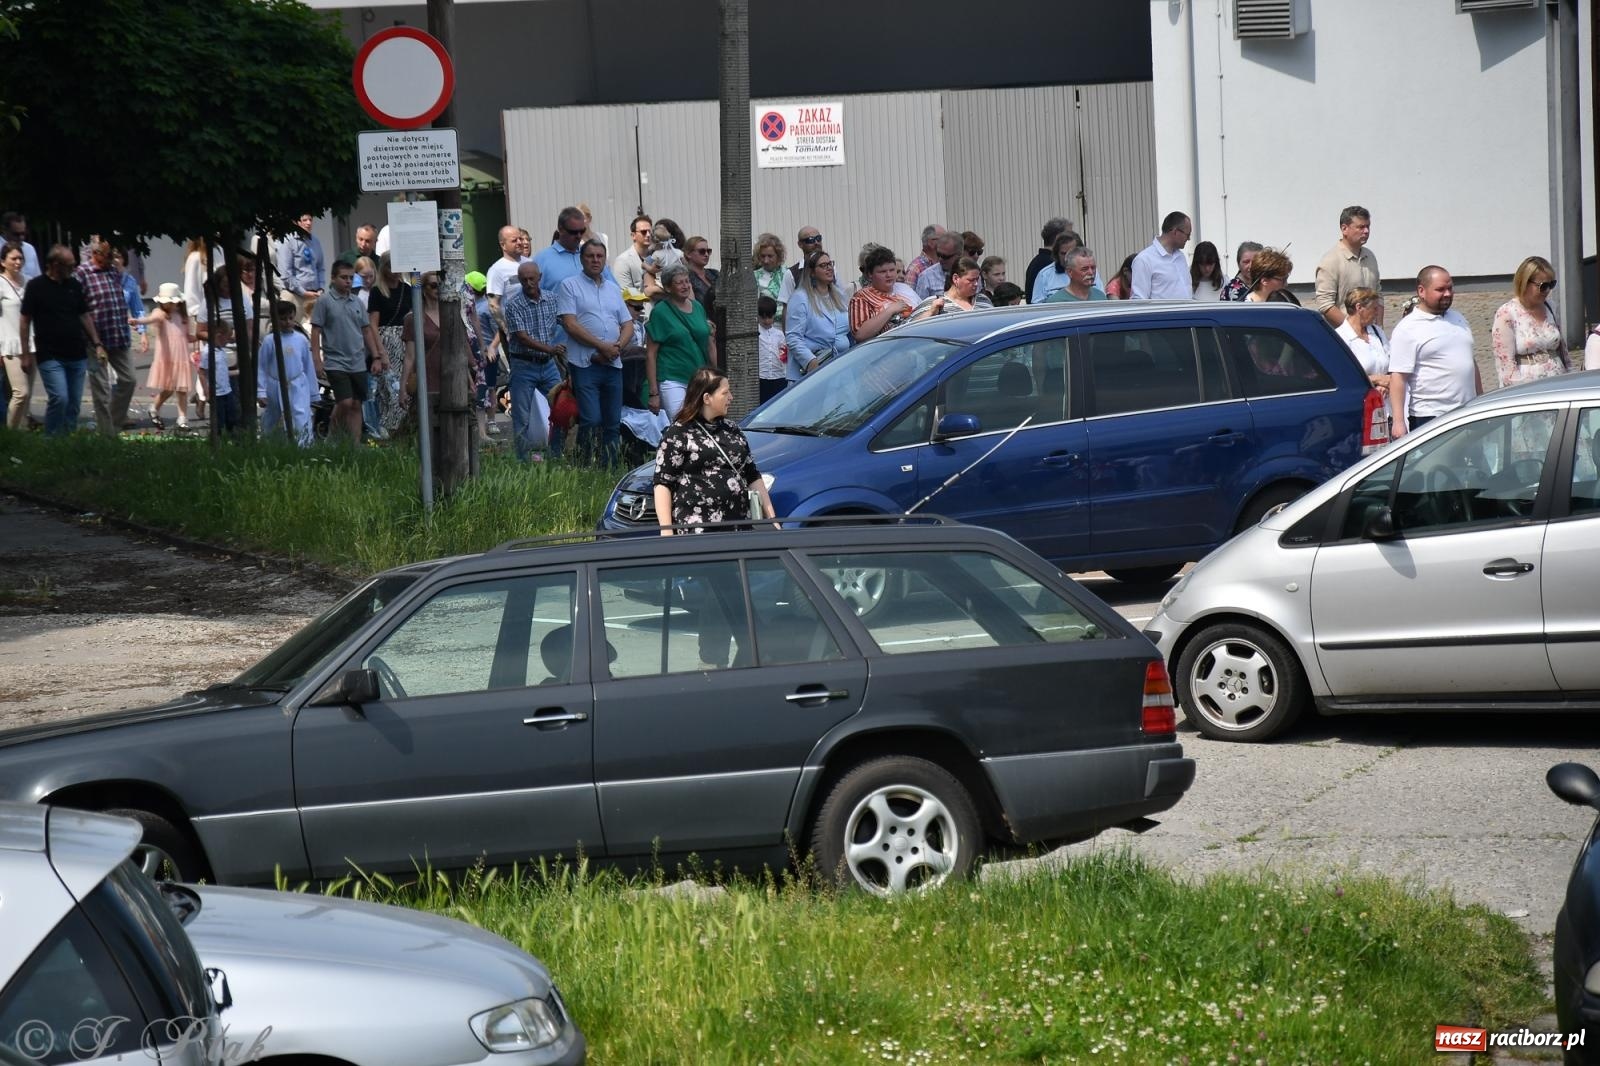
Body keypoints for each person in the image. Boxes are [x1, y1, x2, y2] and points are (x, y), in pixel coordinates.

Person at [653, 365, 776, 534]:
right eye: (725, 393)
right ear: (707, 398)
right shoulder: (678, 433)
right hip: (697, 530)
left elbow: (752, 475)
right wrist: (666, 531)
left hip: (738, 527)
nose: (731, 397)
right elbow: (663, 483)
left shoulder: (733, 430)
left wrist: (772, 520)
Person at [557, 239, 633, 462]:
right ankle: (585, 464)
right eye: (590, 256)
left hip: (613, 362)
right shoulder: (569, 286)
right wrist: (601, 346)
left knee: (613, 421)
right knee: (591, 419)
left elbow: (628, 324)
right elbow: (570, 324)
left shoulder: (613, 289)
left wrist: (616, 347)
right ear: (582, 259)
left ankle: (609, 467)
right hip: (585, 363)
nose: (595, 260)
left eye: (600, 256)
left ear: (605, 259)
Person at [1388, 265, 1480, 437]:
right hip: (1432, 416)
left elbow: (1470, 362)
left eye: (1450, 288)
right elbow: (1398, 377)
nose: (1447, 294)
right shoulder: (1408, 328)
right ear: (1421, 291)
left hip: (1467, 412)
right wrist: (1399, 422)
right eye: (1440, 289)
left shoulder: (1458, 318)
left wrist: (1480, 400)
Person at [310, 260, 384, 444]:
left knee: (357, 404)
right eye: (344, 277)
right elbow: (316, 331)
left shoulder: (357, 301)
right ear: (333, 278)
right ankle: (331, 437)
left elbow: (366, 331)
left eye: (351, 278)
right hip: (335, 360)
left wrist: (376, 356)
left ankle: (354, 444)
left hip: (357, 360)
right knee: (345, 402)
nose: (348, 281)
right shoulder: (324, 301)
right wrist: (317, 359)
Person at [503, 260, 565, 460]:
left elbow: (566, 321)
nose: (529, 283)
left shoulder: (552, 299)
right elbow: (522, 337)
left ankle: (556, 454)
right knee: (521, 416)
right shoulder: (514, 305)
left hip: (548, 364)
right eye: (524, 280)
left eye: (532, 279)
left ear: (540, 277)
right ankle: (522, 460)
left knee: (561, 408)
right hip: (523, 364)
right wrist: (551, 349)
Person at [75, 240, 135, 437]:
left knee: (129, 380)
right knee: (101, 390)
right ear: (96, 253)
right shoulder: (82, 273)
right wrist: (93, 340)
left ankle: (113, 424)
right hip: (95, 341)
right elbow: (79, 308)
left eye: (114, 256)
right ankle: (107, 435)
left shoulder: (113, 271)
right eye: (109, 256)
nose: (112, 260)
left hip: (118, 335)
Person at [645, 262, 716, 420]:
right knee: (681, 422)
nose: (685, 286)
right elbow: (651, 354)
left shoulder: (698, 308)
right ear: (668, 288)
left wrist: (715, 375)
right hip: (672, 378)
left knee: (701, 423)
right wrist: (653, 393)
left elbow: (709, 343)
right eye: (679, 283)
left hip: (699, 378)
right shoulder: (660, 312)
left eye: (687, 281)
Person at [1490, 256, 1569, 390]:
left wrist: (1570, 375)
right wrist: (1517, 392)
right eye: (1543, 286)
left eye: (1551, 285)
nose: (1548, 290)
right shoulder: (1507, 313)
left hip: (1558, 383)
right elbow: (1506, 364)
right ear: (1525, 283)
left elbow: (1563, 350)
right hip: (1529, 387)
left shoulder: (1550, 306)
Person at [130, 283, 193, 429]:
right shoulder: (160, 313)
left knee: (182, 389)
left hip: (181, 357)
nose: (168, 305)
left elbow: (187, 336)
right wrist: (137, 321)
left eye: (171, 302)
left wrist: (202, 337)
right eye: (166, 302)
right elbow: (149, 319)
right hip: (167, 357)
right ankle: (154, 407)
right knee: (169, 389)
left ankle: (182, 418)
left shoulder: (183, 316)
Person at [785, 249, 851, 386]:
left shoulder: (839, 295)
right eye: (823, 265)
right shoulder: (800, 298)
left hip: (841, 369)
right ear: (812, 272)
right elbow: (793, 337)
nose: (829, 268)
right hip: (811, 372)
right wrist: (810, 361)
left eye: (830, 264)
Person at [257, 295, 316, 446]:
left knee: (300, 414)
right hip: (275, 385)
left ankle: (303, 446)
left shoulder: (301, 339)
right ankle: (268, 444)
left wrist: (313, 392)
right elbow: (261, 367)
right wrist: (261, 391)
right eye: (283, 319)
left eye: (290, 318)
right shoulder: (270, 341)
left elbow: (308, 366)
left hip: (297, 384)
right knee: (273, 416)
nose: (287, 322)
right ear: (275, 319)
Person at [366, 254, 410, 440]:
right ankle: (387, 428)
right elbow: (373, 324)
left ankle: (402, 429)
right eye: (391, 267)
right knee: (388, 388)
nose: (395, 272)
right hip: (386, 340)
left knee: (405, 386)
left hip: (405, 341)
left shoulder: (407, 290)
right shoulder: (377, 292)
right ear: (383, 268)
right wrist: (380, 352)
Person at [1313, 206, 1379, 328]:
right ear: (1344, 229)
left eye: (1368, 226)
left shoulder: (1370, 256)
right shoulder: (1331, 260)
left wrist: (1379, 329)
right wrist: (1352, 329)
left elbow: (1378, 295)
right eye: (1360, 227)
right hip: (1343, 334)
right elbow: (1325, 304)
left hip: (1370, 332)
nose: (1366, 231)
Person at [849, 245, 916, 344]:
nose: (889, 275)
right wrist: (890, 310)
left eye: (892, 270)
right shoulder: (861, 298)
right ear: (870, 274)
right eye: (883, 271)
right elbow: (860, 335)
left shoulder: (905, 289)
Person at [1, 241, 33, 429]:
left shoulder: (29, 281)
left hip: (30, 344)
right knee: (21, 393)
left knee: (27, 398)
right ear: (2, 262)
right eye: (13, 258)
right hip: (10, 345)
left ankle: (22, 434)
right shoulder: (0, 283)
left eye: (20, 258)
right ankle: (11, 433)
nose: (18, 262)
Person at [1336, 287, 1390, 388]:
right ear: (1359, 307)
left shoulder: (1377, 332)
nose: (1377, 313)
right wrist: (1376, 380)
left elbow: (1391, 363)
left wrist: (1385, 385)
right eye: (1374, 308)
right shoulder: (1340, 338)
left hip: (1385, 396)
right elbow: (1341, 376)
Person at [275, 212, 325, 321]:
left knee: (313, 327)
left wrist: (321, 287)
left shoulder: (315, 241)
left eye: (310, 220)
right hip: (295, 296)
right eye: (304, 220)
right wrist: (303, 292)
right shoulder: (288, 241)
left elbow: (320, 268)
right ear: (296, 222)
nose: (308, 223)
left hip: (314, 296)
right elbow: (285, 273)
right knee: (295, 327)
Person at [1131, 212, 1192, 299]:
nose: (1189, 239)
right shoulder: (1144, 260)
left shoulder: (1180, 256)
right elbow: (1139, 299)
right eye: (1188, 234)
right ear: (1175, 232)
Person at [197, 319, 239, 434]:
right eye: (227, 338)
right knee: (219, 420)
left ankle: (231, 436)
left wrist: (237, 372)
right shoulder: (208, 352)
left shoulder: (221, 351)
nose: (229, 341)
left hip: (227, 391)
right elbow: (202, 372)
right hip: (217, 393)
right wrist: (206, 391)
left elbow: (223, 372)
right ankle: (218, 438)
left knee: (231, 417)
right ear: (219, 336)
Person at [913, 256, 984, 318]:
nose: (976, 284)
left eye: (977, 279)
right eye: (971, 280)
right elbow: (910, 324)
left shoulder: (983, 299)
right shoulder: (935, 303)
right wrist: (930, 313)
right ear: (956, 279)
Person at [613, 215, 654, 319]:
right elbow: (626, 296)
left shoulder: (655, 257)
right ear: (633, 235)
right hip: (639, 318)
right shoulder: (623, 261)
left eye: (650, 232)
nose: (648, 235)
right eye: (644, 232)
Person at [1024, 217, 1072, 304]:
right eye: (1070, 236)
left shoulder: (1037, 262)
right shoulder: (1049, 267)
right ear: (1059, 238)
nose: (1074, 239)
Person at [778, 225, 825, 309]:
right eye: (810, 240)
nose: (816, 243)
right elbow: (786, 307)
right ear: (800, 244)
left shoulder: (831, 268)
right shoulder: (791, 274)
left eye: (818, 238)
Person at [1030, 231, 1082, 303]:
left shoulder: (1090, 271)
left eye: (1071, 253)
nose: (1067, 257)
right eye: (1063, 253)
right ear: (1056, 253)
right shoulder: (1044, 275)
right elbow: (1037, 306)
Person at [913, 231, 963, 300]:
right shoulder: (926, 277)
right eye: (938, 254)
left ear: (959, 254)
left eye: (945, 256)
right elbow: (921, 305)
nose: (940, 259)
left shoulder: (971, 274)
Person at [756, 295, 786, 403]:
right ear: (758, 316)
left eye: (769, 317)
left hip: (778, 376)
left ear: (774, 315)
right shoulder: (755, 333)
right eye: (763, 317)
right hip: (761, 377)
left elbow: (784, 354)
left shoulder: (779, 334)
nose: (767, 321)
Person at [903, 224, 946, 292]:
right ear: (931, 243)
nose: (947, 242)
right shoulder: (915, 268)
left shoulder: (945, 263)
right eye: (943, 239)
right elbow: (908, 297)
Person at [753, 233, 787, 318]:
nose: (766, 261)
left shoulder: (787, 273)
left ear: (778, 256)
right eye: (763, 256)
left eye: (770, 256)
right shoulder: (754, 276)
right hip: (767, 322)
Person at [2, 212, 40, 281]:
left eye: (23, 233)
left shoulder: (30, 249)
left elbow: (37, 277)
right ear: (4, 230)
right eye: (16, 234)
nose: (21, 237)